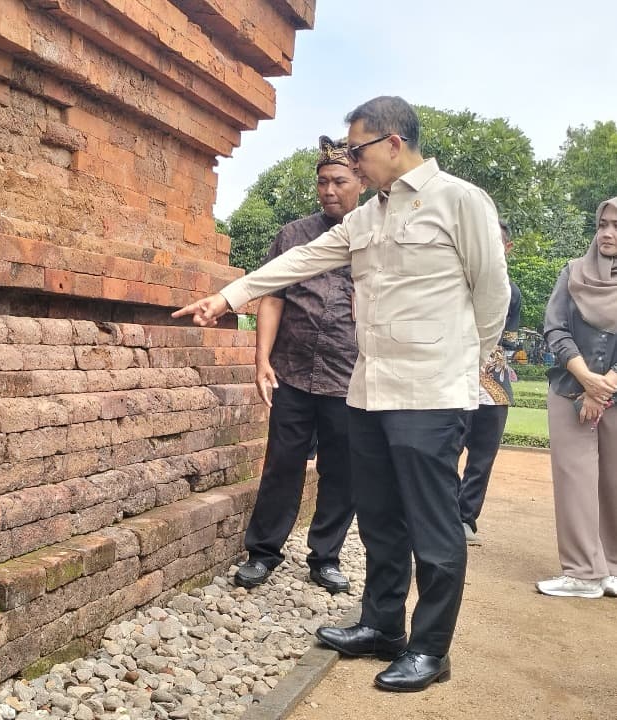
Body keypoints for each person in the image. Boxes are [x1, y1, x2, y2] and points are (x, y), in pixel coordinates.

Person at [173, 96, 510, 692]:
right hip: (366, 390)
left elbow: (492, 297)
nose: (351, 163)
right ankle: (383, 625)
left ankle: (431, 650)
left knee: (432, 525)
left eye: (357, 150)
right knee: (378, 517)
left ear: (393, 143)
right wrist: (229, 297)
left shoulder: (460, 201)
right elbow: (300, 260)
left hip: (429, 393)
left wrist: (460, 366)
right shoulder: (367, 217)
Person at [234, 136, 363, 595]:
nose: (329, 190)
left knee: (342, 470)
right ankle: (263, 551)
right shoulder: (293, 235)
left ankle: (325, 556)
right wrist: (261, 359)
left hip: (350, 376)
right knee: (282, 464)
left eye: (340, 181)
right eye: (322, 182)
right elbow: (272, 297)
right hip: (292, 369)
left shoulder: (375, 236)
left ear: (361, 182)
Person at [536, 197, 617, 599]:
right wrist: (586, 379)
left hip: (613, 394)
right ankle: (584, 572)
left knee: (614, 482)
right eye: (603, 224)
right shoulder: (573, 273)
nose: (607, 233)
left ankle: (613, 569)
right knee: (574, 480)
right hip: (569, 389)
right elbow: (555, 329)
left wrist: (603, 389)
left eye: (616, 226)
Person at [459, 221, 521, 545]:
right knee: (444, 451)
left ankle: (466, 518)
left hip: (494, 387)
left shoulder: (513, 292)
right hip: (455, 382)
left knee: (481, 459)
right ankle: (442, 514)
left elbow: (507, 343)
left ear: (507, 248)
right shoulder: (458, 281)